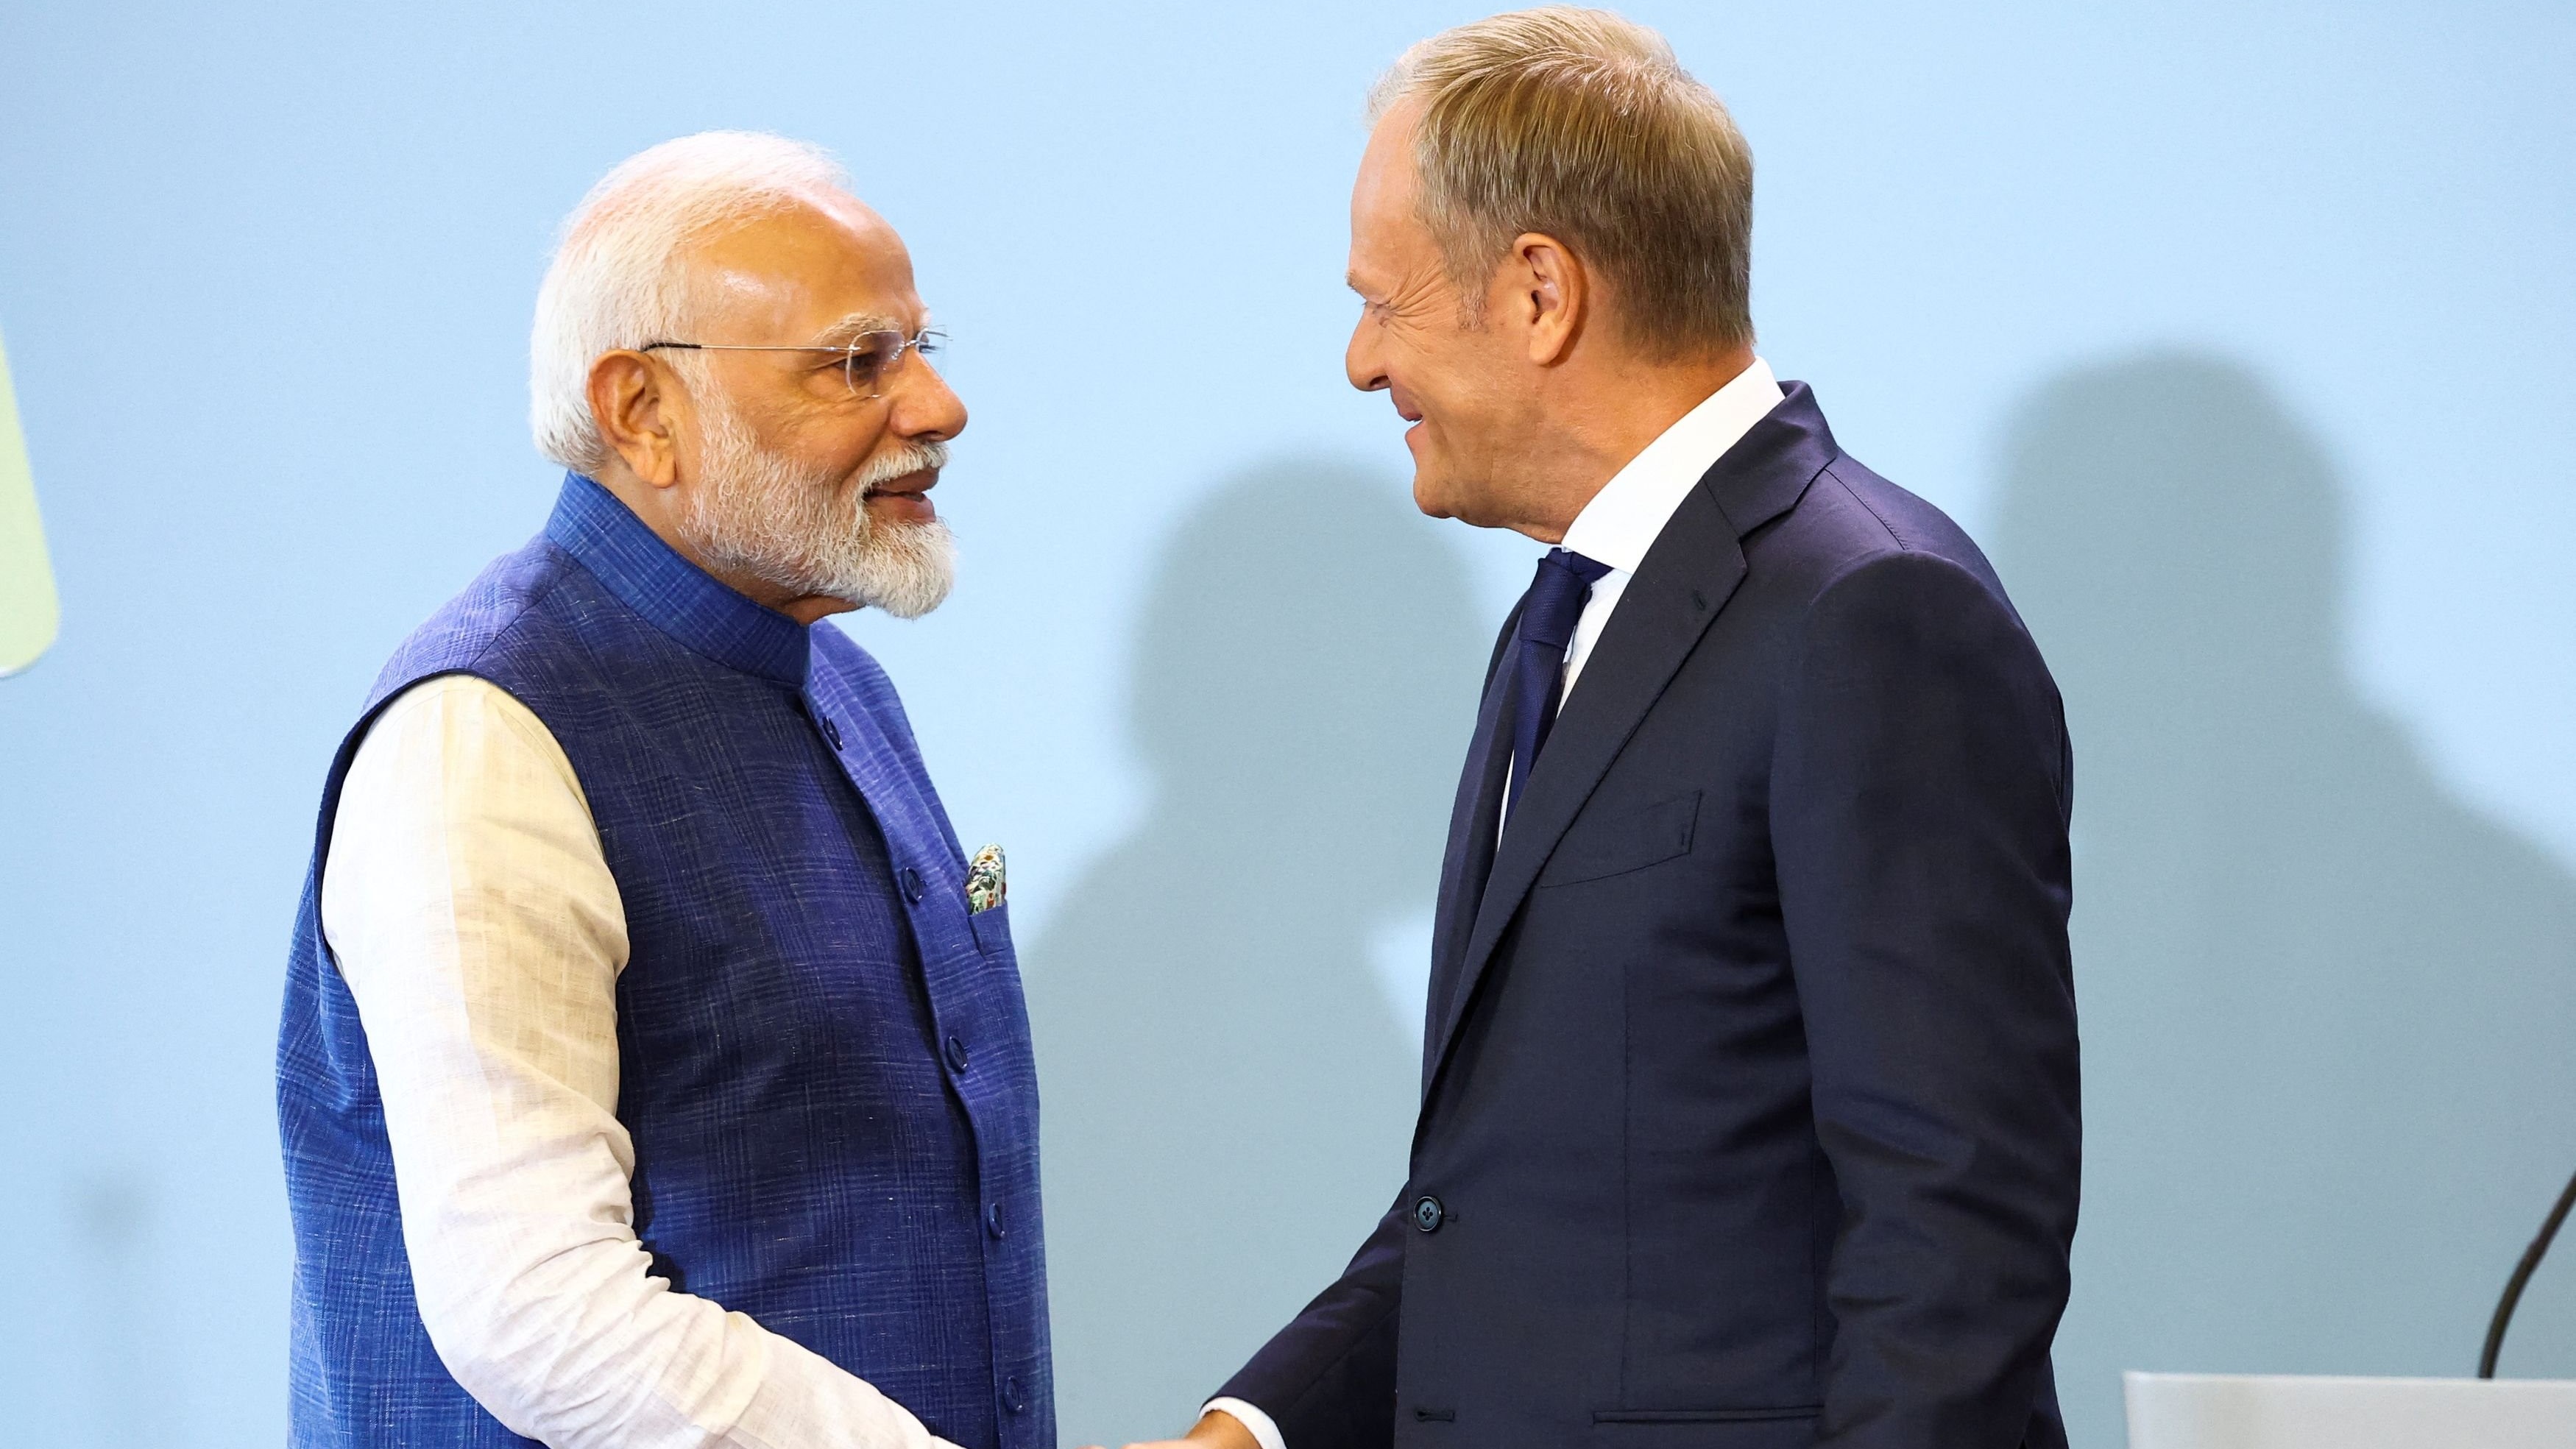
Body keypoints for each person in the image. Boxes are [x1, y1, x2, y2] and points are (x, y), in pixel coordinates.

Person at [1120, 10, 2081, 1448]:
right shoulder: (1563, 616)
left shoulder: (1872, 614)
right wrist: (1251, 1430)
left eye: (1381, 302)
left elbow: (1952, 1231)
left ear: (1538, 294)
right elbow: (1497, 1192)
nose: (1357, 362)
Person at [275, 132, 1050, 1449]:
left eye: (924, 348)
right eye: (860, 360)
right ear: (642, 412)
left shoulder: (841, 683)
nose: (935, 407)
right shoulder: (481, 738)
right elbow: (539, 1310)